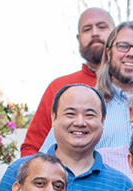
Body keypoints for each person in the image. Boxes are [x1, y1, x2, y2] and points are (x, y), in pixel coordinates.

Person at [0, 84, 133, 191]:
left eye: (90, 115)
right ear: (53, 117)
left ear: (103, 120)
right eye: (70, 114)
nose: (80, 122)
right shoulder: (20, 171)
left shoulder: (122, 187)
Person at [40, 20, 133, 151]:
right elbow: (46, 159)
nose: (131, 53)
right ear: (108, 53)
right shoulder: (84, 103)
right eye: (123, 46)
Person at [21, 8, 114, 156]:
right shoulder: (59, 87)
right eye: (87, 29)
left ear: (115, 36)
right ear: (78, 39)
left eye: (102, 27)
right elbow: (32, 148)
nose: (95, 33)